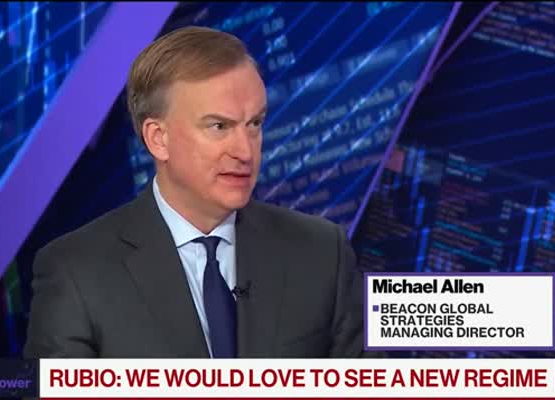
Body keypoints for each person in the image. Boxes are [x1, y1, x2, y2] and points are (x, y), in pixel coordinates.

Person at [24, 26, 364, 358]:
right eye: (219, 126)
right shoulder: (76, 272)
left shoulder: (322, 252)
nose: (245, 151)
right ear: (158, 139)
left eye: (254, 124)